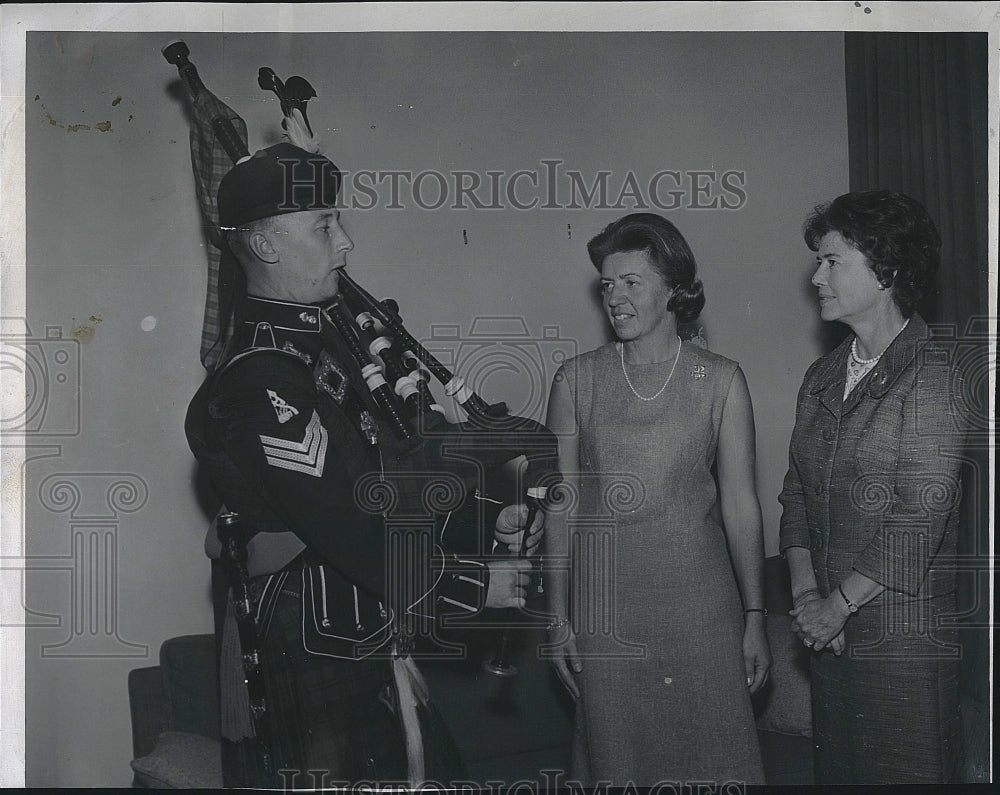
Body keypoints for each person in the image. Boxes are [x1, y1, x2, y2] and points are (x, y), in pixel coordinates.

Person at [184, 142, 540, 788]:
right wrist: (475, 584)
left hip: (367, 651)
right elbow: (353, 522)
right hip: (317, 667)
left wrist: (488, 526)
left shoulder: (325, 357)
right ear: (265, 246)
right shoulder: (260, 384)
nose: (344, 243)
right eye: (324, 225)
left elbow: (391, 483)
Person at [545, 212, 769, 786]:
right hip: (607, 616)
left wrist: (754, 618)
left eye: (631, 282)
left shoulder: (721, 381)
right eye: (607, 284)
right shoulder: (575, 381)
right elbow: (561, 504)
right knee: (619, 765)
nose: (615, 298)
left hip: (702, 615)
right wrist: (558, 618)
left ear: (674, 289)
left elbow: (742, 507)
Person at [779, 190, 966, 784]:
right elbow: (796, 496)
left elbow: (919, 517)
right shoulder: (823, 374)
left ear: (886, 269)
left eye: (833, 261)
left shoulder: (934, 372)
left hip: (904, 648)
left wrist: (836, 606)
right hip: (831, 642)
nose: (816, 277)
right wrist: (809, 601)